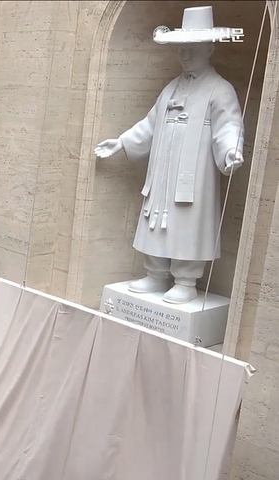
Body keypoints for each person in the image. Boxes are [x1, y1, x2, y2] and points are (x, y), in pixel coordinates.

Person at [94, 6, 245, 304]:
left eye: (192, 49)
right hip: (163, 168)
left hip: (194, 173)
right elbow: (151, 122)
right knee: (156, 215)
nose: (185, 56)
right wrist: (123, 142)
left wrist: (231, 150)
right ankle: (155, 272)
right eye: (182, 50)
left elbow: (229, 124)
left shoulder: (220, 89)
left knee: (189, 219)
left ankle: (186, 279)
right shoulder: (171, 88)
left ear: (209, 49)